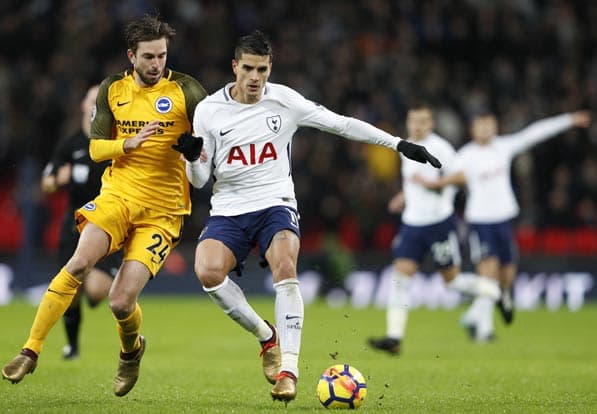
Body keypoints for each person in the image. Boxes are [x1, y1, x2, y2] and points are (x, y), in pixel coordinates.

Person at [171, 30, 441, 403]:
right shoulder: (209, 111)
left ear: (270, 68)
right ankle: (267, 337)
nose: (254, 78)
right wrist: (191, 157)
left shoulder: (285, 101)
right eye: (247, 68)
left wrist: (398, 144)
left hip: (275, 202)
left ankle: (289, 371)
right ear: (234, 66)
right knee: (207, 272)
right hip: (230, 208)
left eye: (262, 70)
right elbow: (201, 181)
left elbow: (342, 123)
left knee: (285, 265)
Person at [1, 14, 207, 397]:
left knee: (119, 300)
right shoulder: (112, 90)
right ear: (132, 55)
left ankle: (131, 352)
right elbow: (96, 148)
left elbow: (213, 138)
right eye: (148, 56)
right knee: (78, 263)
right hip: (118, 196)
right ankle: (30, 350)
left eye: (161, 56)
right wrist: (124, 145)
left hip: (163, 212)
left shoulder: (188, 91)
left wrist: (198, 151)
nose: (156, 64)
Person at [414, 110, 591, 341]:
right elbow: (449, 183)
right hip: (479, 220)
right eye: (481, 125)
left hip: (504, 219)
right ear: (472, 129)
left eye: (489, 124)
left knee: (507, 276)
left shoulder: (503, 147)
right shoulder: (465, 156)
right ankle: (485, 331)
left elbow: (535, 133)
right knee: (488, 272)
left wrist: (568, 120)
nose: (486, 129)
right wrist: (423, 192)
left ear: (495, 127)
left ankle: (474, 315)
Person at [367, 104, 500, 354]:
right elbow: (412, 180)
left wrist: (433, 184)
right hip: (412, 223)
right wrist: (403, 196)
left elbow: (461, 178)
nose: (417, 126)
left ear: (431, 124)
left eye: (422, 121)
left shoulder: (440, 148)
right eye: (413, 121)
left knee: (452, 282)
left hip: (439, 223)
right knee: (400, 276)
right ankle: (394, 338)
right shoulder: (405, 145)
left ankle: (494, 291)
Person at [40, 85, 123, 360]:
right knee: (71, 291)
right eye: (92, 101)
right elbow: (47, 182)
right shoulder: (71, 144)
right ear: (84, 106)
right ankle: (72, 346)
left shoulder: (115, 141)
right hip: (74, 226)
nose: (96, 107)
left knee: (96, 292)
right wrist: (57, 180)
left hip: (109, 224)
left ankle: (94, 281)